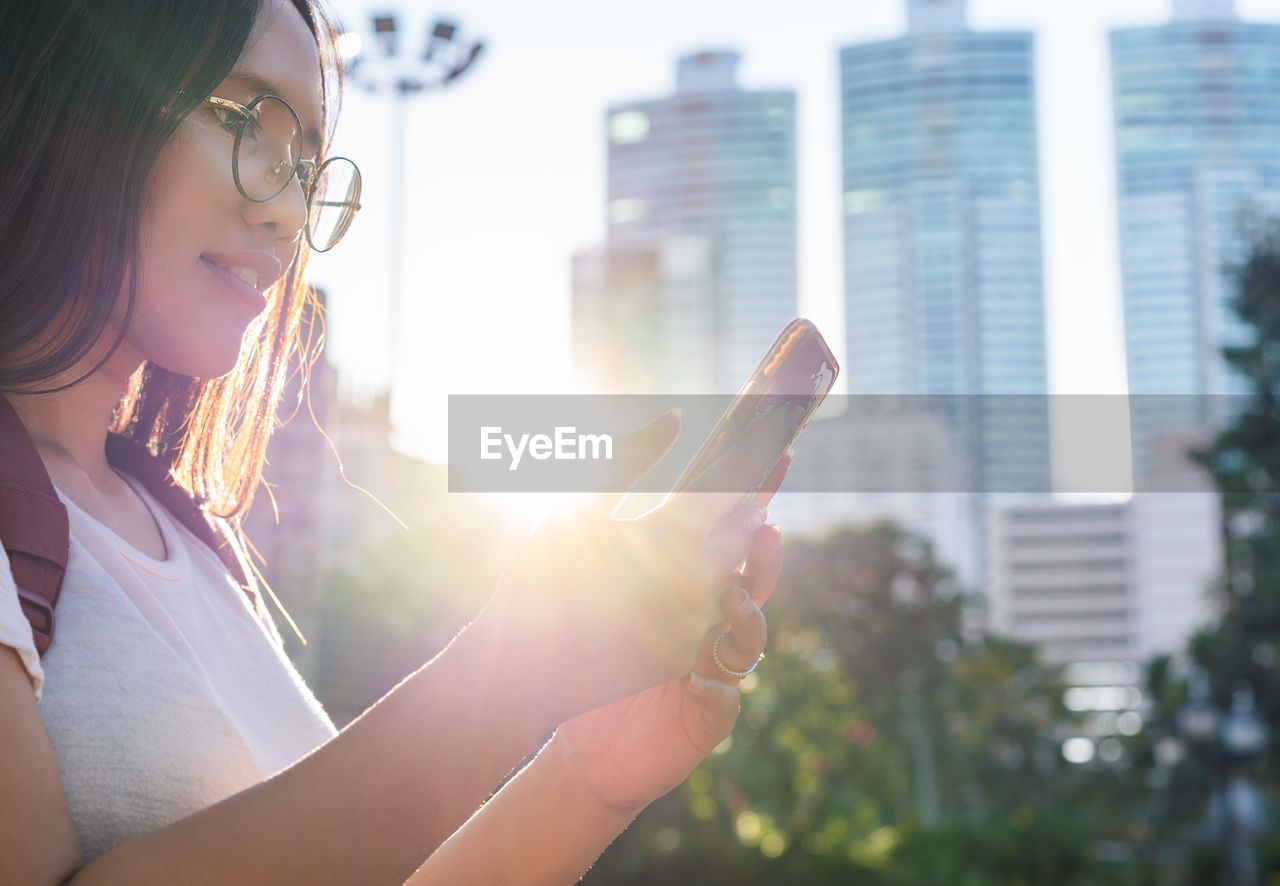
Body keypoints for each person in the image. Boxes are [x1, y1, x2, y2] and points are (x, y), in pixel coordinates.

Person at [0, 1, 794, 883]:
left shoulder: (184, 537)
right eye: (247, 121)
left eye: (307, 164)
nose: (290, 210)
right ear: (71, 93)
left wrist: (587, 780)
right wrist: (500, 683)